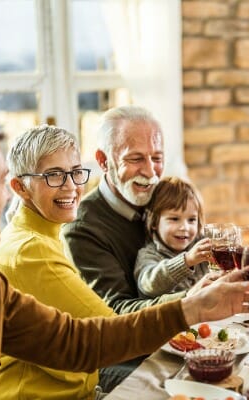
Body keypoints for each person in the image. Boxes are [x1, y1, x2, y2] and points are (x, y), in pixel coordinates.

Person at [0, 118, 249, 398]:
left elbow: (78, 341)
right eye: (0, 181)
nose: (9, 193)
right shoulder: (25, 252)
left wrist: (193, 308)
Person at [0, 125, 116, 399]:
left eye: (75, 172)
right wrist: (190, 308)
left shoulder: (42, 231)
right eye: (54, 175)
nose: (71, 186)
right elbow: (114, 331)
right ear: (19, 187)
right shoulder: (31, 249)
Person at [62, 106, 181, 313]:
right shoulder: (82, 228)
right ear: (103, 161)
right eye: (135, 159)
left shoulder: (167, 200)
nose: (150, 172)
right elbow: (117, 311)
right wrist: (193, 299)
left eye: (157, 158)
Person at [134, 176, 213, 299]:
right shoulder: (149, 254)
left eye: (191, 219)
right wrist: (186, 261)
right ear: (154, 222)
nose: (184, 227)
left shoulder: (201, 244)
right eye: (174, 219)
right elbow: (148, 285)